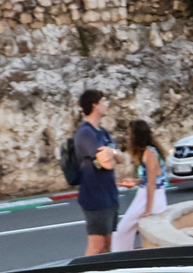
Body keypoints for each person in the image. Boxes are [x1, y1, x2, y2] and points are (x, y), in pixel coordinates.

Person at [71, 90, 121, 255]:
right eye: (104, 100)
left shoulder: (102, 132)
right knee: (96, 246)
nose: (107, 104)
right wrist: (111, 154)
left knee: (106, 246)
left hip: (109, 196)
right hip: (95, 197)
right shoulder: (86, 133)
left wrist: (111, 153)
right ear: (95, 105)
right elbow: (108, 165)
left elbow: (121, 158)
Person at [111, 120, 169, 251]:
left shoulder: (150, 153)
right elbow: (149, 178)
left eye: (130, 134)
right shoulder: (148, 152)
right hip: (146, 195)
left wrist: (148, 209)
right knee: (126, 231)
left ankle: (121, 258)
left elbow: (152, 183)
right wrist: (135, 182)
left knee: (121, 232)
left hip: (148, 198)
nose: (128, 137)